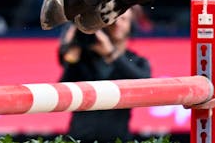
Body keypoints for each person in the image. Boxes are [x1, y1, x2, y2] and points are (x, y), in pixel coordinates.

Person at [58, 8, 150, 142]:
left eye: (123, 19)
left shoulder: (137, 61)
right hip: (79, 138)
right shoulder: (85, 58)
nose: (117, 23)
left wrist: (111, 54)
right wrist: (72, 51)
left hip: (118, 138)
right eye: (113, 19)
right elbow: (64, 91)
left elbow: (146, 86)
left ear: (131, 26)